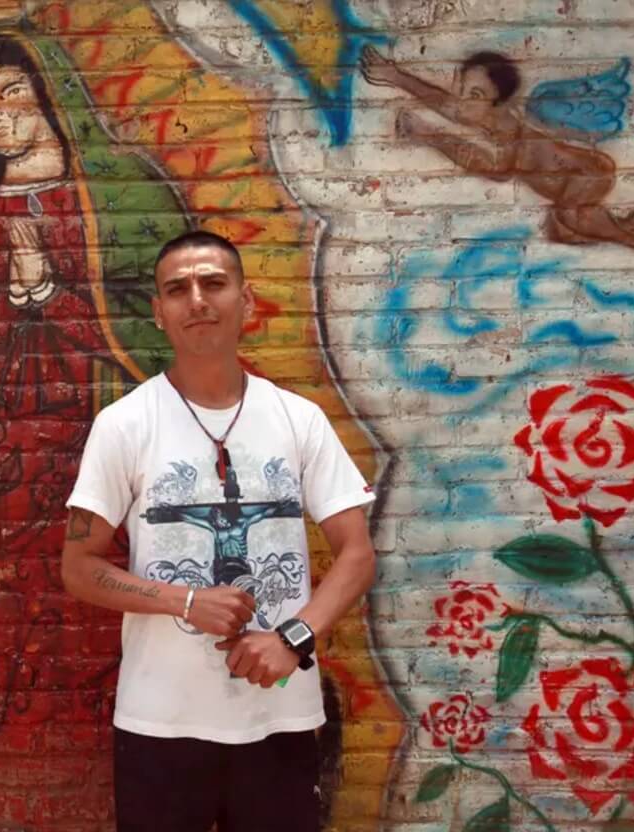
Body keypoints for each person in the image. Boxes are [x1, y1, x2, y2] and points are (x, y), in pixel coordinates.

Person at [0, 34, 190, 830]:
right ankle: (8, 792)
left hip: (110, 444)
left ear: (49, 90)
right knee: (12, 620)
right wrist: (10, 304)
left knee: (111, 612)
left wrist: (52, 291)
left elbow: (170, 330)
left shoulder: (126, 193)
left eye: (12, 92)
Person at [62, 230, 378, 832]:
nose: (197, 300)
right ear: (159, 313)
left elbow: (357, 554)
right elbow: (79, 567)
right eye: (177, 289)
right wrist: (184, 601)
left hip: (280, 716)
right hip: (160, 722)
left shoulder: (298, 419)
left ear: (247, 300)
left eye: (213, 283)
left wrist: (292, 637)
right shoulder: (125, 425)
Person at [359, 47, 634, 270]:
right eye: (461, 88)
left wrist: (428, 135)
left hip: (587, 175)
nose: (462, 101)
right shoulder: (486, 115)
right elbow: (447, 106)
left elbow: (497, 170)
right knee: (568, 226)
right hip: (576, 180)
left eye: (475, 95)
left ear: (499, 103)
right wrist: (396, 77)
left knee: (569, 220)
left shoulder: (509, 129)